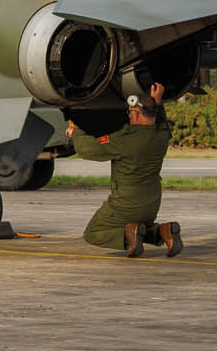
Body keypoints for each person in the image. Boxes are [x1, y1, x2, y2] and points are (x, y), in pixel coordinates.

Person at [70, 82, 182, 258]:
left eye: (130, 112)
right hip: (152, 202)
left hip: (126, 202)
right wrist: (157, 102)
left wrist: (75, 131)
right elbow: (161, 120)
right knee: (141, 227)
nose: (129, 117)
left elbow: (87, 150)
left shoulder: (125, 140)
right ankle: (163, 231)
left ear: (137, 113)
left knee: (93, 232)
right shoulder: (161, 135)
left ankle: (130, 233)